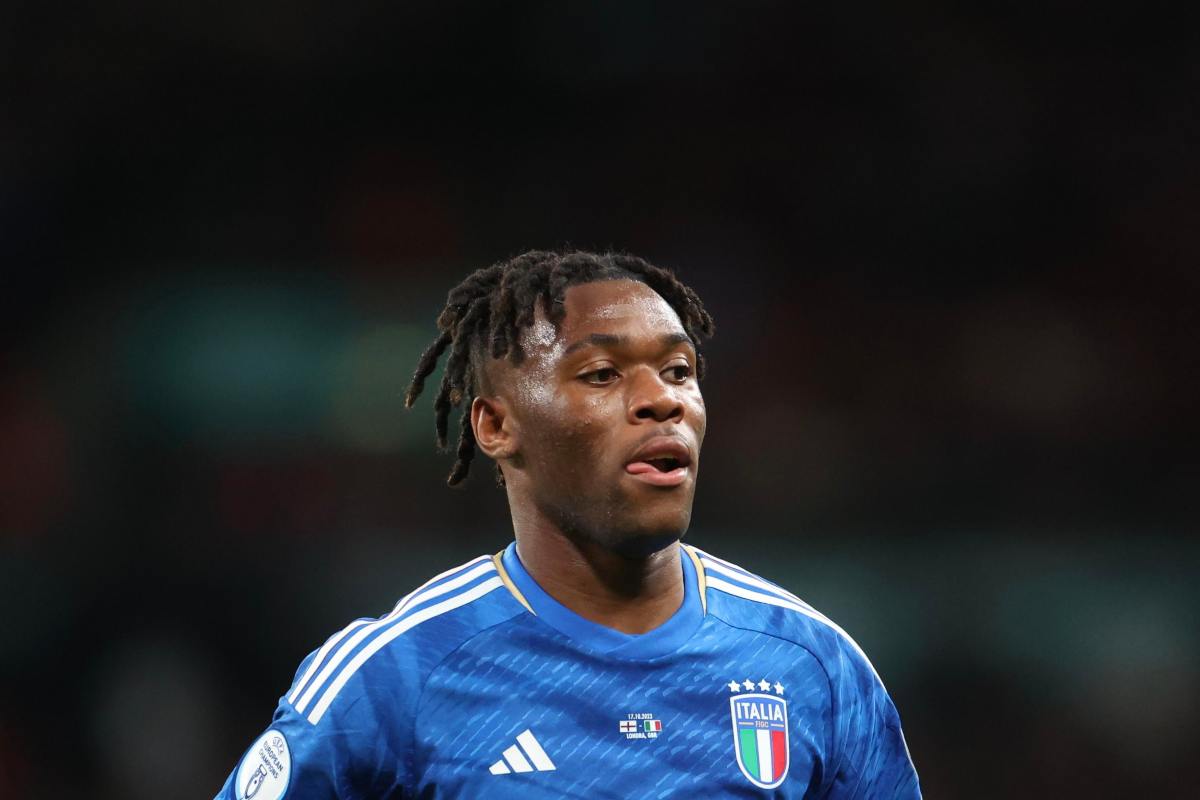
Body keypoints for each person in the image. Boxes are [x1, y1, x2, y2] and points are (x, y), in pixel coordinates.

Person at [215, 250, 921, 799]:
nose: (662, 400)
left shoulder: (813, 667)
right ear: (496, 426)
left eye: (678, 370)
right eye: (602, 374)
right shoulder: (395, 677)